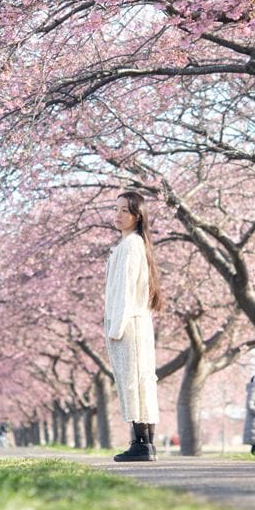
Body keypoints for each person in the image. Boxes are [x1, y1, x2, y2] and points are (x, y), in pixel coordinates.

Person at [105, 191, 163, 462]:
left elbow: (125, 291)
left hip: (129, 323)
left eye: (125, 211)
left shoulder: (130, 245)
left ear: (137, 216)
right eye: (116, 209)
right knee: (141, 381)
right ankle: (146, 444)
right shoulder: (134, 243)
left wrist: (116, 326)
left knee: (133, 382)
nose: (118, 215)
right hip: (137, 322)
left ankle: (140, 444)